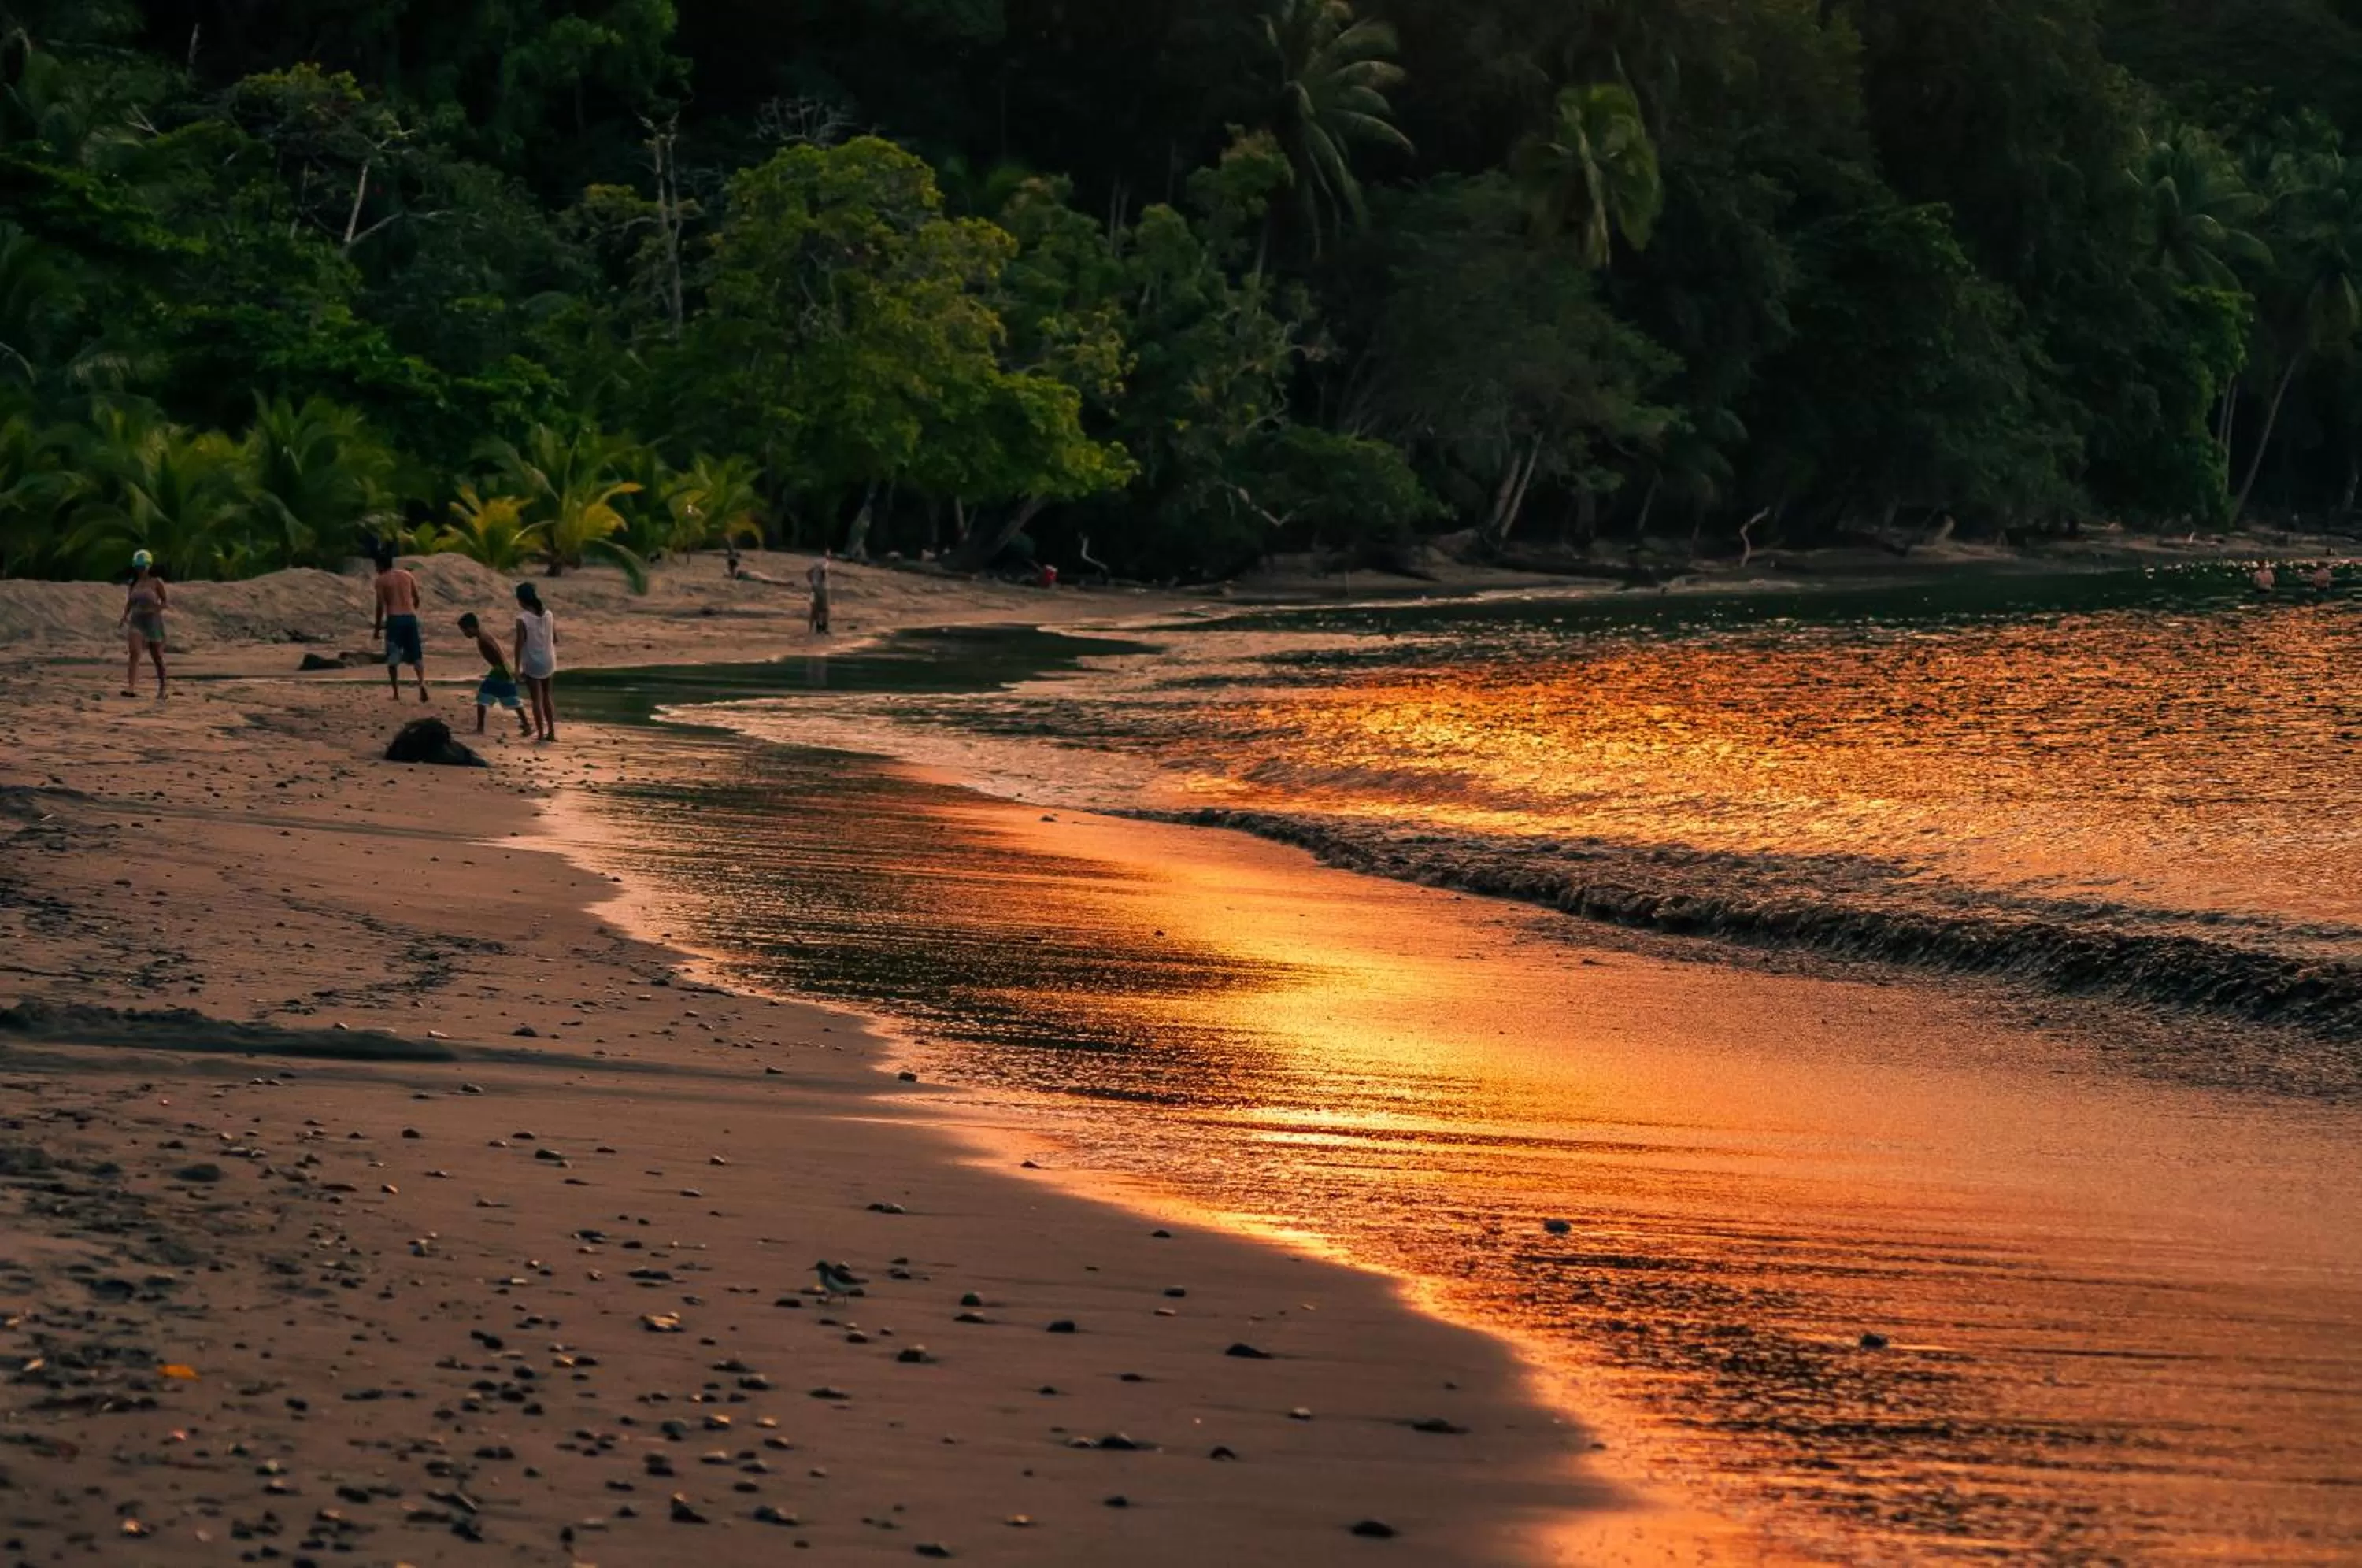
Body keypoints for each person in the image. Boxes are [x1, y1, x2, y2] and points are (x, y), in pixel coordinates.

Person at [458, 612, 533, 738]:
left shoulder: (483, 639)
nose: (465, 634)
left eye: (464, 631)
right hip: (502, 670)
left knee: (485, 697)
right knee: (509, 698)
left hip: (500, 671)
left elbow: (497, 653)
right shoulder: (484, 635)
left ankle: (480, 728)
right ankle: (526, 725)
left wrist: (507, 671)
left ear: (471, 627)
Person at [372, 547, 429, 702]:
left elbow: (380, 606)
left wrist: (377, 629)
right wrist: (410, 611)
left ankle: (396, 693)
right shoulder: (407, 575)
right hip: (410, 617)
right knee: (416, 654)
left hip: (394, 620)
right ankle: (422, 683)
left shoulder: (381, 580)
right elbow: (416, 599)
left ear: (380, 566)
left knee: (393, 658)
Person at [513, 582, 559, 743]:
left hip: (533, 662)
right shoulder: (549, 614)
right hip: (549, 660)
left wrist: (517, 669)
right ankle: (552, 732)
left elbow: (519, 644)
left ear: (521, 600)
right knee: (547, 696)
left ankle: (540, 734)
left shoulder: (522, 619)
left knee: (536, 700)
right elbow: (556, 639)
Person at [119, 549, 168, 699]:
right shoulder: (133, 583)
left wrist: (156, 609)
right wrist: (124, 616)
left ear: (149, 566)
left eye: (143, 567)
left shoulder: (156, 582)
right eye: (138, 567)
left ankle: (162, 689)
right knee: (134, 652)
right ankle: (131, 688)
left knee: (157, 657)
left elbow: (165, 602)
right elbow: (130, 602)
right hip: (137, 620)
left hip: (153, 622)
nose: (140, 570)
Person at [807, 549, 832, 634]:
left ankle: (817, 627)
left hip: (814, 587)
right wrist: (823, 581)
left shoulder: (816, 562)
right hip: (822, 588)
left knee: (815, 608)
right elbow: (823, 570)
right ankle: (824, 627)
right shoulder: (826, 562)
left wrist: (811, 581)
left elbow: (808, 572)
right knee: (825, 609)